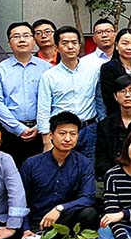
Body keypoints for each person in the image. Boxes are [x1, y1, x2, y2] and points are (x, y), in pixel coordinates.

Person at [18, 112, 100, 239]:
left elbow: (88, 197)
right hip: (36, 227)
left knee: (89, 213)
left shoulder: (84, 163)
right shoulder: (31, 164)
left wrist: (60, 208)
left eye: (73, 134)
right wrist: (25, 229)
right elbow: (20, 201)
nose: (68, 138)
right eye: (62, 133)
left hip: (65, 224)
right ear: (51, 135)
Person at [0, 21, 52, 166]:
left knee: (40, 172)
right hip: (9, 133)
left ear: (33, 41)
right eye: (16, 36)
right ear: (9, 43)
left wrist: (39, 126)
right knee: (10, 173)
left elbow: (53, 101)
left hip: (41, 131)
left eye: (26, 35)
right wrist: (19, 129)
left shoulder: (47, 69)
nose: (22, 40)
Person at [36, 26, 104, 158]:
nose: (70, 47)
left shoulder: (93, 70)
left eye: (74, 42)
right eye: (65, 43)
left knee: (89, 167)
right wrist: (46, 139)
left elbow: (99, 100)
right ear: (56, 47)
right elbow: (43, 109)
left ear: (79, 45)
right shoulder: (49, 76)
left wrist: (102, 125)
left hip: (89, 129)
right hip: (61, 131)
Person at [99, 28, 131, 117]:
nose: (129, 47)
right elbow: (109, 99)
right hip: (118, 118)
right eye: (125, 43)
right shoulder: (108, 68)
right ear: (116, 46)